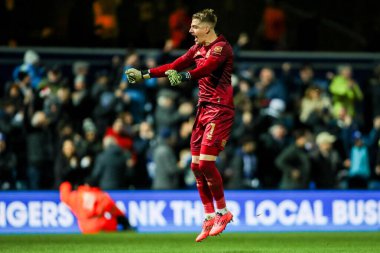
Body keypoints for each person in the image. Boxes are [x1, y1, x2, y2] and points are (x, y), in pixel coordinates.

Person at [125, 8, 234, 242]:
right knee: (195, 166)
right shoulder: (197, 48)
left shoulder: (221, 48)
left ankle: (223, 212)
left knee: (206, 163)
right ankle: (208, 216)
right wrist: (144, 74)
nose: (190, 30)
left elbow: (206, 69)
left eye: (194, 26)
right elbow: (175, 64)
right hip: (203, 110)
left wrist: (185, 77)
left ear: (206, 28)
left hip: (220, 110)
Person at [59, 180, 132, 234]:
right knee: (114, 220)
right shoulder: (101, 195)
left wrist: (66, 183)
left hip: (84, 227)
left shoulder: (76, 195)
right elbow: (116, 211)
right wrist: (125, 222)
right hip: (100, 225)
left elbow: (64, 197)